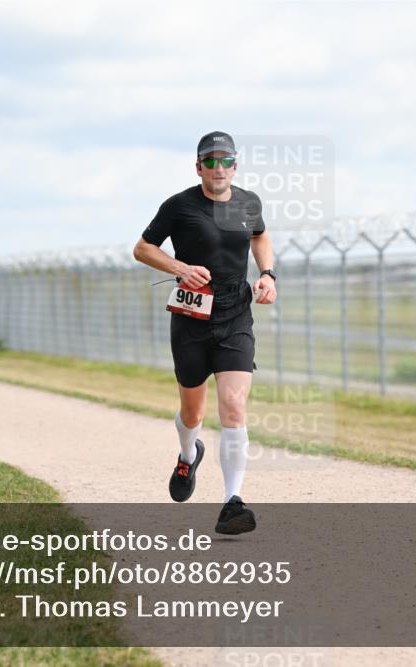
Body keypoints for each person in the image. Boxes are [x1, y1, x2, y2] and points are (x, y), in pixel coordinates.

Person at [133, 132, 277, 535]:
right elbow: (143, 248)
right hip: (192, 320)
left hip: (235, 317)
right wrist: (180, 268)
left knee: (233, 406)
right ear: (199, 167)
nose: (218, 168)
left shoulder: (248, 203)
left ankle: (232, 502)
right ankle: (187, 453)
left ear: (236, 165)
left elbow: (260, 235)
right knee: (193, 411)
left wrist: (267, 274)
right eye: (210, 161)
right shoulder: (180, 206)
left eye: (225, 161)